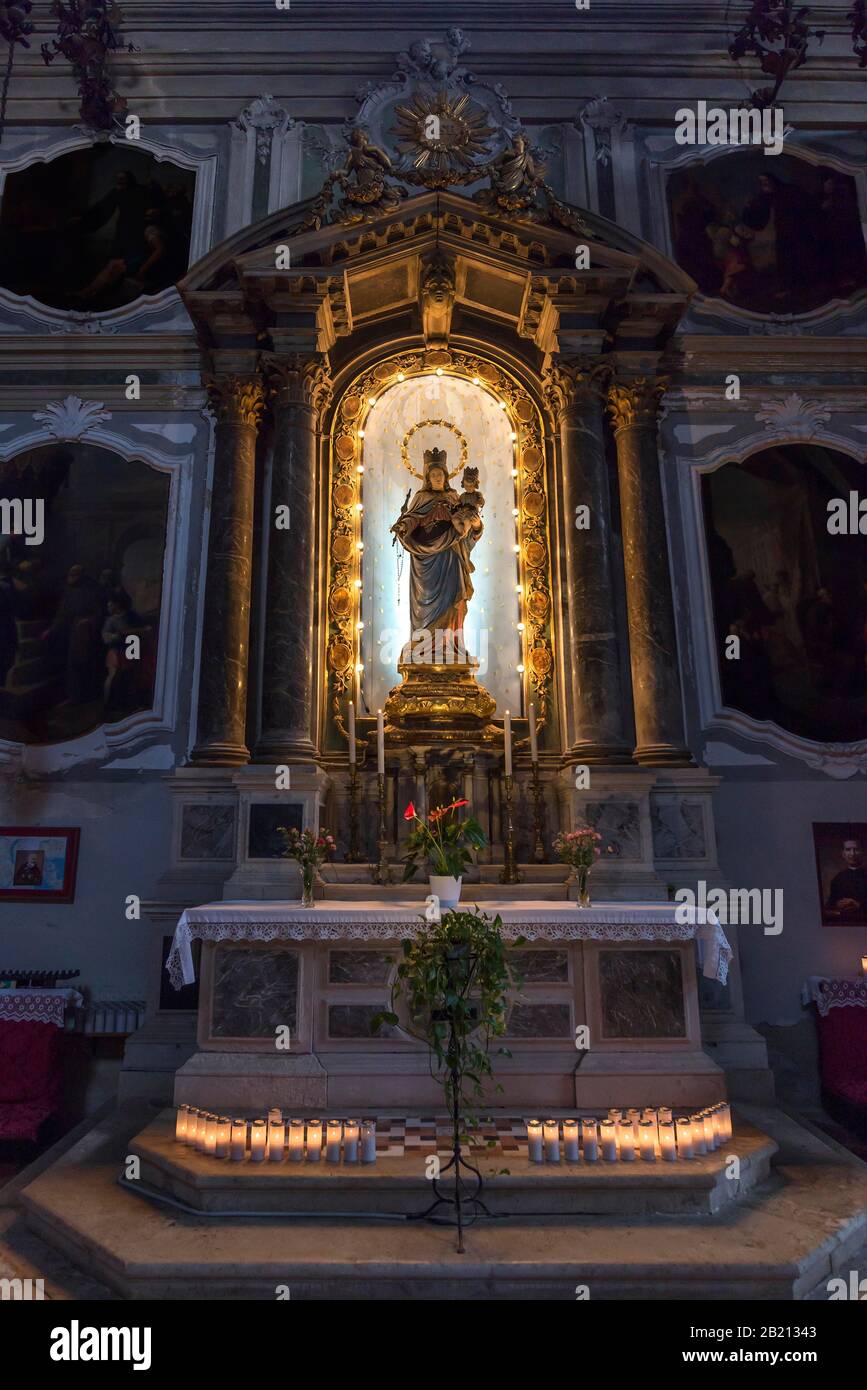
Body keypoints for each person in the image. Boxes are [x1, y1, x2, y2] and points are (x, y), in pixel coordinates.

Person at [390, 448, 484, 659]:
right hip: (426, 561)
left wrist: (477, 526)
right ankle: (423, 648)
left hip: (451, 558)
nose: (437, 478)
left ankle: (451, 648)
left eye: (440, 474)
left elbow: (466, 528)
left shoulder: (454, 497)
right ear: (427, 477)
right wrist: (402, 526)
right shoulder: (421, 497)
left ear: (446, 475)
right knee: (426, 606)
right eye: (433, 475)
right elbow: (411, 519)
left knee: (454, 600)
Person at [825, 838, 867, 922]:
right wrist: (837, 904)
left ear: (861, 852)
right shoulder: (837, 879)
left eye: (856, 849)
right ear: (843, 854)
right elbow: (829, 905)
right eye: (848, 850)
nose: (852, 854)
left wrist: (858, 904)